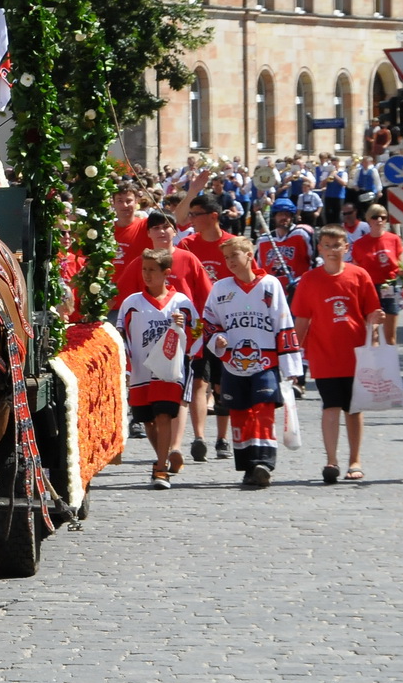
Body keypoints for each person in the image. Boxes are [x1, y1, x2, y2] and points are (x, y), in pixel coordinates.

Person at [201, 236, 302, 488]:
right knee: (240, 414)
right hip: (233, 362)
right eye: (226, 258)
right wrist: (217, 339)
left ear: (249, 255)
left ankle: (264, 463)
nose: (230, 262)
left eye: (234, 256)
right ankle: (248, 466)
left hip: (265, 359)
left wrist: (290, 366)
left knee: (263, 409)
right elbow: (208, 322)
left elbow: (283, 323)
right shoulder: (221, 288)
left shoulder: (271, 285)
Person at [290, 227, 382, 483]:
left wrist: (375, 328)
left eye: (337, 245)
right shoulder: (309, 279)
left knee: (354, 410)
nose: (332, 250)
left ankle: (355, 459)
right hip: (323, 354)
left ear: (346, 247)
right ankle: (331, 460)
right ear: (320, 248)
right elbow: (302, 321)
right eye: (327, 245)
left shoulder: (359, 275)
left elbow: (371, 313)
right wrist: (292, 355)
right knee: (330, 407)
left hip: (355, 354)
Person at [114, 248, 201, 489]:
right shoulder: (131, 303)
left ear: (167, 273)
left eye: (152, 270)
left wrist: (186, 328)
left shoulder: (181, 302)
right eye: (144, 270)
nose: (147, 275)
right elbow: (121, 336)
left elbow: (199, 332)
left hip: (168, 372)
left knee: (164, 415)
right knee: (148, 420)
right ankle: (161, 456)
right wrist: (126, 368)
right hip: (141, 371)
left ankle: (160, 468)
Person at [174, 194, 236, 459]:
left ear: (213, 216)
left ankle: (222, 438)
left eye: (195, 215)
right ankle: (199, 437)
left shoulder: (233, 245)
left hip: (227, 324)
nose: (191, 220)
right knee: (199, 379)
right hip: (198, 324)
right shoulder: (188, 244)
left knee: (224, 383)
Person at [351, 204, 403, 344]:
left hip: (389, 287)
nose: (379, 220)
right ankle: (375, 365)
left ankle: (391, 364)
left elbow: (400, 263)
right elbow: (356, 270)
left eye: (383, 217)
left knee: (390, 336)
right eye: (375, 217)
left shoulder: (394, 239)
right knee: (373, 335)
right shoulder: (360, 244)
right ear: (369, 220)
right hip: (369, 289)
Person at [254, 198, 314, 293]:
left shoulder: (302, 233)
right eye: (280, 214)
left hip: (299, 290)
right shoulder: (263, 240)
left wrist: (301, 281)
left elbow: (315, 262)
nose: (284, 217)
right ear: (274, 217)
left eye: (287, 214)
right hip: (272, 292)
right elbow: (257, 268)